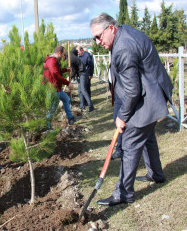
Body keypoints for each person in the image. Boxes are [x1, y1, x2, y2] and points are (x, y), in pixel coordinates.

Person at [90, 13, 172, 206]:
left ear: (110, 28)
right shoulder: (124, 33)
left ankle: (124, 193)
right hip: (152, 93)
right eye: (94, 38)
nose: (97, 41)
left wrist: (122, 116)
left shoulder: (124, 46)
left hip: (146, 98)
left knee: (129, 144)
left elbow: (133, 90)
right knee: (148, 137)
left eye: (99, 36)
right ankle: (156, 174)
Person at [43, 46, 76, 128]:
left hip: (57, 87)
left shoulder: (54, 60)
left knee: (65, 99)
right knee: (52, 108)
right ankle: (48, 127)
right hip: (52, 88)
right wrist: (68, 83)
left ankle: (70, 118)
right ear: (59, 53)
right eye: (63, 54)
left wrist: (65, 69)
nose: (63, 56)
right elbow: (55, 74)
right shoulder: (51, 61)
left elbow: (57, 71)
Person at [77, 46, 94, 112]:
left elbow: (91, 65)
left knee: (86, 89)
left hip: (87, 74)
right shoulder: (79, 56)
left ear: (81, 50)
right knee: (83, 89)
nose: (78, 53)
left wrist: (91, 74)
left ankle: (88, 103)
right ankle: (84, 103)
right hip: (82, 75)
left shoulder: (87, 55)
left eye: (78, 51)